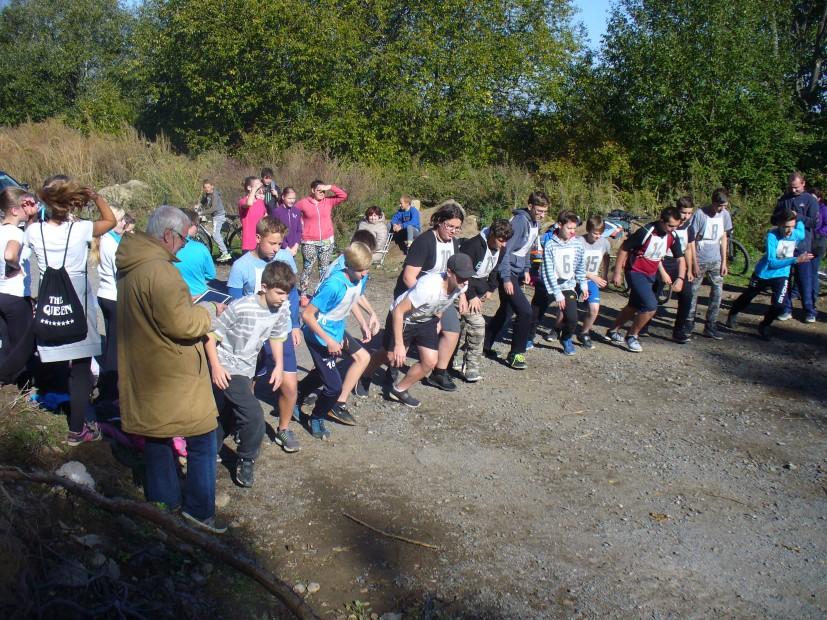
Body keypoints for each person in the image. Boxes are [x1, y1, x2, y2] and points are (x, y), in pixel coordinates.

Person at [116, 205, 225, 533]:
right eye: (182, 240)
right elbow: (182, 325)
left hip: (146, 367)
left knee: (157, 437)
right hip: (172, 372)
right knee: (204, 438)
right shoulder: (160, 271)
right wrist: (208, 310)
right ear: (168, 235)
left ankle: (164, 510)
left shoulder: (132, 264)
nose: (182, 248)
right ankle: (199, 512)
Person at [26, 179, 116, 445]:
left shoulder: (34, 232)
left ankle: (50, 393)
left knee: (53, 351)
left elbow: (31, 233)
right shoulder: (80, 230)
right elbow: (109, 221)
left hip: (49, 295)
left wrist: (34, 215)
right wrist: (96, 196)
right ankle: (77, 430)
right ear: (71, 203)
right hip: (77, 294)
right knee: (80, 366)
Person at [205, 261, 294, 487]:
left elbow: (277, 335)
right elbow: (211, 336)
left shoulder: (281, 308)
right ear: (264, 287)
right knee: (253, 414)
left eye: (287, 294)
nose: (284, 298)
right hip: (226, 365)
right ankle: (246, 458)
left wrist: (278, 365)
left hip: (247, 367)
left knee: (227, 412)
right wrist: (216, 367)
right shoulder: (241, 306)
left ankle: (208, 449)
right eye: (280, 292)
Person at [227, 217, 302, 454]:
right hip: (251, 335)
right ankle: (243, 425)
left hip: (280, 330)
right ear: (258, 239)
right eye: (271, 243)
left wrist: (296, 324)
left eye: (279, 244)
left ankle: (284, 428)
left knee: (290, 385)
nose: (276, 249)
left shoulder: (285, 258)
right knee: (248, 384)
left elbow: (292, 293)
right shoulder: (241, 266)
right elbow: (234, 303)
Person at [361, 253, 473, 409]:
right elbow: (398, 312)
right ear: (449, 272)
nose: (465, 281)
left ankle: (399, 390)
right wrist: (400, 344)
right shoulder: (428, 288)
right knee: (390, 355)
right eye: (461, 277)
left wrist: (438, 319)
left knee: (430, 361)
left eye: (467, 277)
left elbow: (444, 301)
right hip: (404, 318)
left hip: (426, 319)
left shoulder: (462, 285)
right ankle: (365, 375)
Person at [301, 242, 373, 439]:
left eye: (367, 269)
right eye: (361, 271)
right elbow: (307, 316)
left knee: (322, 373)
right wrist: (329, 340)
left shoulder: (357, 280)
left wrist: (363, 323)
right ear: (348, 266)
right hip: (317, 336)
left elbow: (351, 301)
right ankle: (317, 417)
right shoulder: (333, 285)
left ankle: (296, 395)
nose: (365, 274)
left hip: (335, 333)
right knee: (334, 387)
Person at [393, 201, 465, 391]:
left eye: (457, 228)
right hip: (417, 293)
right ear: (439, 222)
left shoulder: (454, 243)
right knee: (397, 347)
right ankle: (391, 364)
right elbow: (409, 277)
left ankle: (439, 373)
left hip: (441, 295)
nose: (453, 231)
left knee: (452, 329)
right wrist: (428, 301)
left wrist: (461, 296)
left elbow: (458, 273)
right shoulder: (424, 242)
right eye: (450, 226)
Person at [726, 209, 814, 339]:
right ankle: (733, 313)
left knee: (780, 304)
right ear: (779, 225)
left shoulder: (797, 234)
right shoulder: (772, 236)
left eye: (791, 227)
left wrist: (797, 216)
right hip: (764, 273)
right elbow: (772, 262)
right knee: (748, 297)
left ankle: (765, 325)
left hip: (782, 275)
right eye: (786, 227)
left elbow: (801, 226)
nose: (789, 230)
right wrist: (795, 260)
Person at [607, 206, 685, 353]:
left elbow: (680, 258)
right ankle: (632, 336)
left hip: (651, 274)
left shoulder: (672, 236)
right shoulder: (646, 231)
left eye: (676, 226)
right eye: (670, 226)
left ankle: (612, 330)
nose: (672, 229)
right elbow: (624, 248)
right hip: (636, 272)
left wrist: (679, 278)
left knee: (634, 305)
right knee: (650, 306)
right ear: (662, 221)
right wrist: (617, 272)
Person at [484, 192, 548, 369]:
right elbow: (505, 250)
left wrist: (526, 269)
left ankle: (484, 344)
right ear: (530, 206)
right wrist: (505, 279)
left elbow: (527, 248)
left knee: (506, 310)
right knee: (525, 311)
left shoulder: (535, 223)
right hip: (508, 271)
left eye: (544, 211)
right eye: (539, 210)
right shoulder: (520, 221)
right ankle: (516, 353)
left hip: (518, 272)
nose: (542, 214)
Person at [452, 218, 512, 382]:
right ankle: (471, 367)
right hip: (462, 287)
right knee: (478, 325)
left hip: (479, 289)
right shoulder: (473, 246)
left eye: (506, 241)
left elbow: (494, 270)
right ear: (492, 235)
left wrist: (490, 288)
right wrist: (470, 295)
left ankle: (456, 358)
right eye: (501, 240)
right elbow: (461, 273)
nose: (503, 244)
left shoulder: (502, 249)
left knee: (466, 325)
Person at [0, 188, 38, 384]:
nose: (29, 209)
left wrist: (32, 217)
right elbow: (9, 254)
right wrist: (15, 266)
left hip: (1, 293)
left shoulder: (2, 230)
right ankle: (8, 378)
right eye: (25, 206)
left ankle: (13, 383)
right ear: (15, 210)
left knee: (6, 342)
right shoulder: (15, 233)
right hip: (15, 295)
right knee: (24, 342)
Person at [89, 206, 126, 402]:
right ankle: (110, 388)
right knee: (115, 346)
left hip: (105, 294)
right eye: (120, 220)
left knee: (112, 341)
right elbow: (119, 271)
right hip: (114, 296)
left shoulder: (104, 240)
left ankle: (109, 384)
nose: (123, 224)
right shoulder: (111, 243)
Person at [538, 211, 588, 356]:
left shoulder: (577, 245)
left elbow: (579, 266)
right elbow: (548, 271)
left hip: (567, 286)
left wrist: (583, 284)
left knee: (572, 318)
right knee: (536, 314)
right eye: (569, 228)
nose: (572, 232)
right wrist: (557, 293)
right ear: (559, 225)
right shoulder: (550, 245)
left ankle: (566, 339)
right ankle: (528, 337)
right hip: (550, 286)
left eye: (574, 229)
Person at [772, 172, 820, 322]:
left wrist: (797, 216)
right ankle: (786, 308)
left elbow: (815, 223)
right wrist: (781, 217)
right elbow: (773, 219)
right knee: (783, 278)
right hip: (785, 245)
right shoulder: (784, 200)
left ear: (803, 184)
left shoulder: (810, 201)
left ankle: (809, 310)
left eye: (796, 188)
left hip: (803, 245)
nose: (793, 191)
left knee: (804, 280)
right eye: (791, 188)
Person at [686, 189, 730, 339]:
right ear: (713, 203)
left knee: (717, 292)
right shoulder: (700, 214)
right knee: (693, 292)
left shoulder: (725, 214)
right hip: (700, 256)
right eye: (719, 206)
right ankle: (688, 323)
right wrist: (694, 263)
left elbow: (724, 237)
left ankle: (711, 325)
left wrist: (724, 261)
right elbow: (691, 239)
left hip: (716, 259)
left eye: (724, 206)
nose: (722, 209)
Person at [295, 180, 348, 299]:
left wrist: (330, 187)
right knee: (307, 268)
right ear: (313, 190)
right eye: (319, 190)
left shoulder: (328, 201)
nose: (322, 193)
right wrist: (300, 228)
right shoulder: (303, 203)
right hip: (309, 241)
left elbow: (343, 195)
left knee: (324, 269)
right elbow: (293, 214)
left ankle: (320, 294)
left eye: (324, 191)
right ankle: (303, 295)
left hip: (326, 241)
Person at [661, 197, 697, 343]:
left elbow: (688, 248)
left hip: (679, 262)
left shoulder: (689, 227)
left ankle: (678, 330)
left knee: (687, 296)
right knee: (654, 293)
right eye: (684, 213)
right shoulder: (669, 225)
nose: (686, 216)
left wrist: (690, 268)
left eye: (689, 213)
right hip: (663, 260)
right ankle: (643, 326)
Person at [577, 214, 612, 348]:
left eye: (600, 233)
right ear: (588, 230)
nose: (597, 236)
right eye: (594, 233)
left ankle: (584, 332)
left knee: (594, 309)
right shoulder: (579, 241)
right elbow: (574, 266)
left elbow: (606, 257)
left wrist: (604, 274)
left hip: (592, 280)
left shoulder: (604, 243)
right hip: (576, 279)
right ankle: (557, 328)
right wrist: (592, 276)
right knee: (567, 309)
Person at [174, 208, 216, 299]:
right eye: (197, 225)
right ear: (192, 225)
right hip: (199, 296)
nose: (197, 229)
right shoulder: (201, 248)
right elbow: (211, 275)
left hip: (175, 299)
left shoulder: (167, 247)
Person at [199, 179, 231, 262]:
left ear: (212, 186)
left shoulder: (214, 195)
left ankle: (225, 253)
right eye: (205, 187)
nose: (207, 189)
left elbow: (213, 208)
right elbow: (202, 202)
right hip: (215, 217)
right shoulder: (207, 194)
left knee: (215, 234)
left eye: (208, 187)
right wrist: (198, 205)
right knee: (217, 234)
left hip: (218, 216)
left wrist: (202, 213)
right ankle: (223, 248)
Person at [238, 176, 268, 253]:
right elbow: (249, 203)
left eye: (260, 186)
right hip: (249, 243)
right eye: (256, 185)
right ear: (249, 188)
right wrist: (254, 190)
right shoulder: (242, 201)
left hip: (261, 242)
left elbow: (265, 218)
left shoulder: (260, 202)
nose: (259, 187)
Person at [271, 186, 302, 256]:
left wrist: (295, 246)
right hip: (280, 249)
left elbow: (299, 230)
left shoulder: (297, 211)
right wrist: (286, 248)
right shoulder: (277, 212)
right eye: (289, 198)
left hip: (294, 249)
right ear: (283, 197)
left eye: (294, 198)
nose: (292, 201)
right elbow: (275, 231)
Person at [813, 188, 826, 299]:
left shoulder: (823, 209)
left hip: (818, 240)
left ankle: (814, 293)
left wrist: (818, 233)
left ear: (819, 198)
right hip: (807, 239)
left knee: (814, 269)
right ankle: (797, 291)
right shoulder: (808, 208)